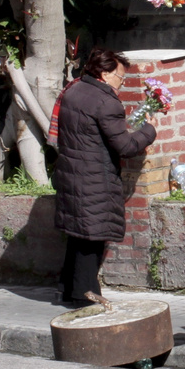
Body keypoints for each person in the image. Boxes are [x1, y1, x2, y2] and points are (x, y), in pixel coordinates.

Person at [51, 47, 159, 307]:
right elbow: (125, 147)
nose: (121, 83)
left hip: (72, 173)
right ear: (105, 73)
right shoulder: (106, 102)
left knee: (78, 234)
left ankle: (68, 288)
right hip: (93, 178)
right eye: (120, 77)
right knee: (92, 237)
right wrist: (149, 130)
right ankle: (84, 296)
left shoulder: (73, 90)